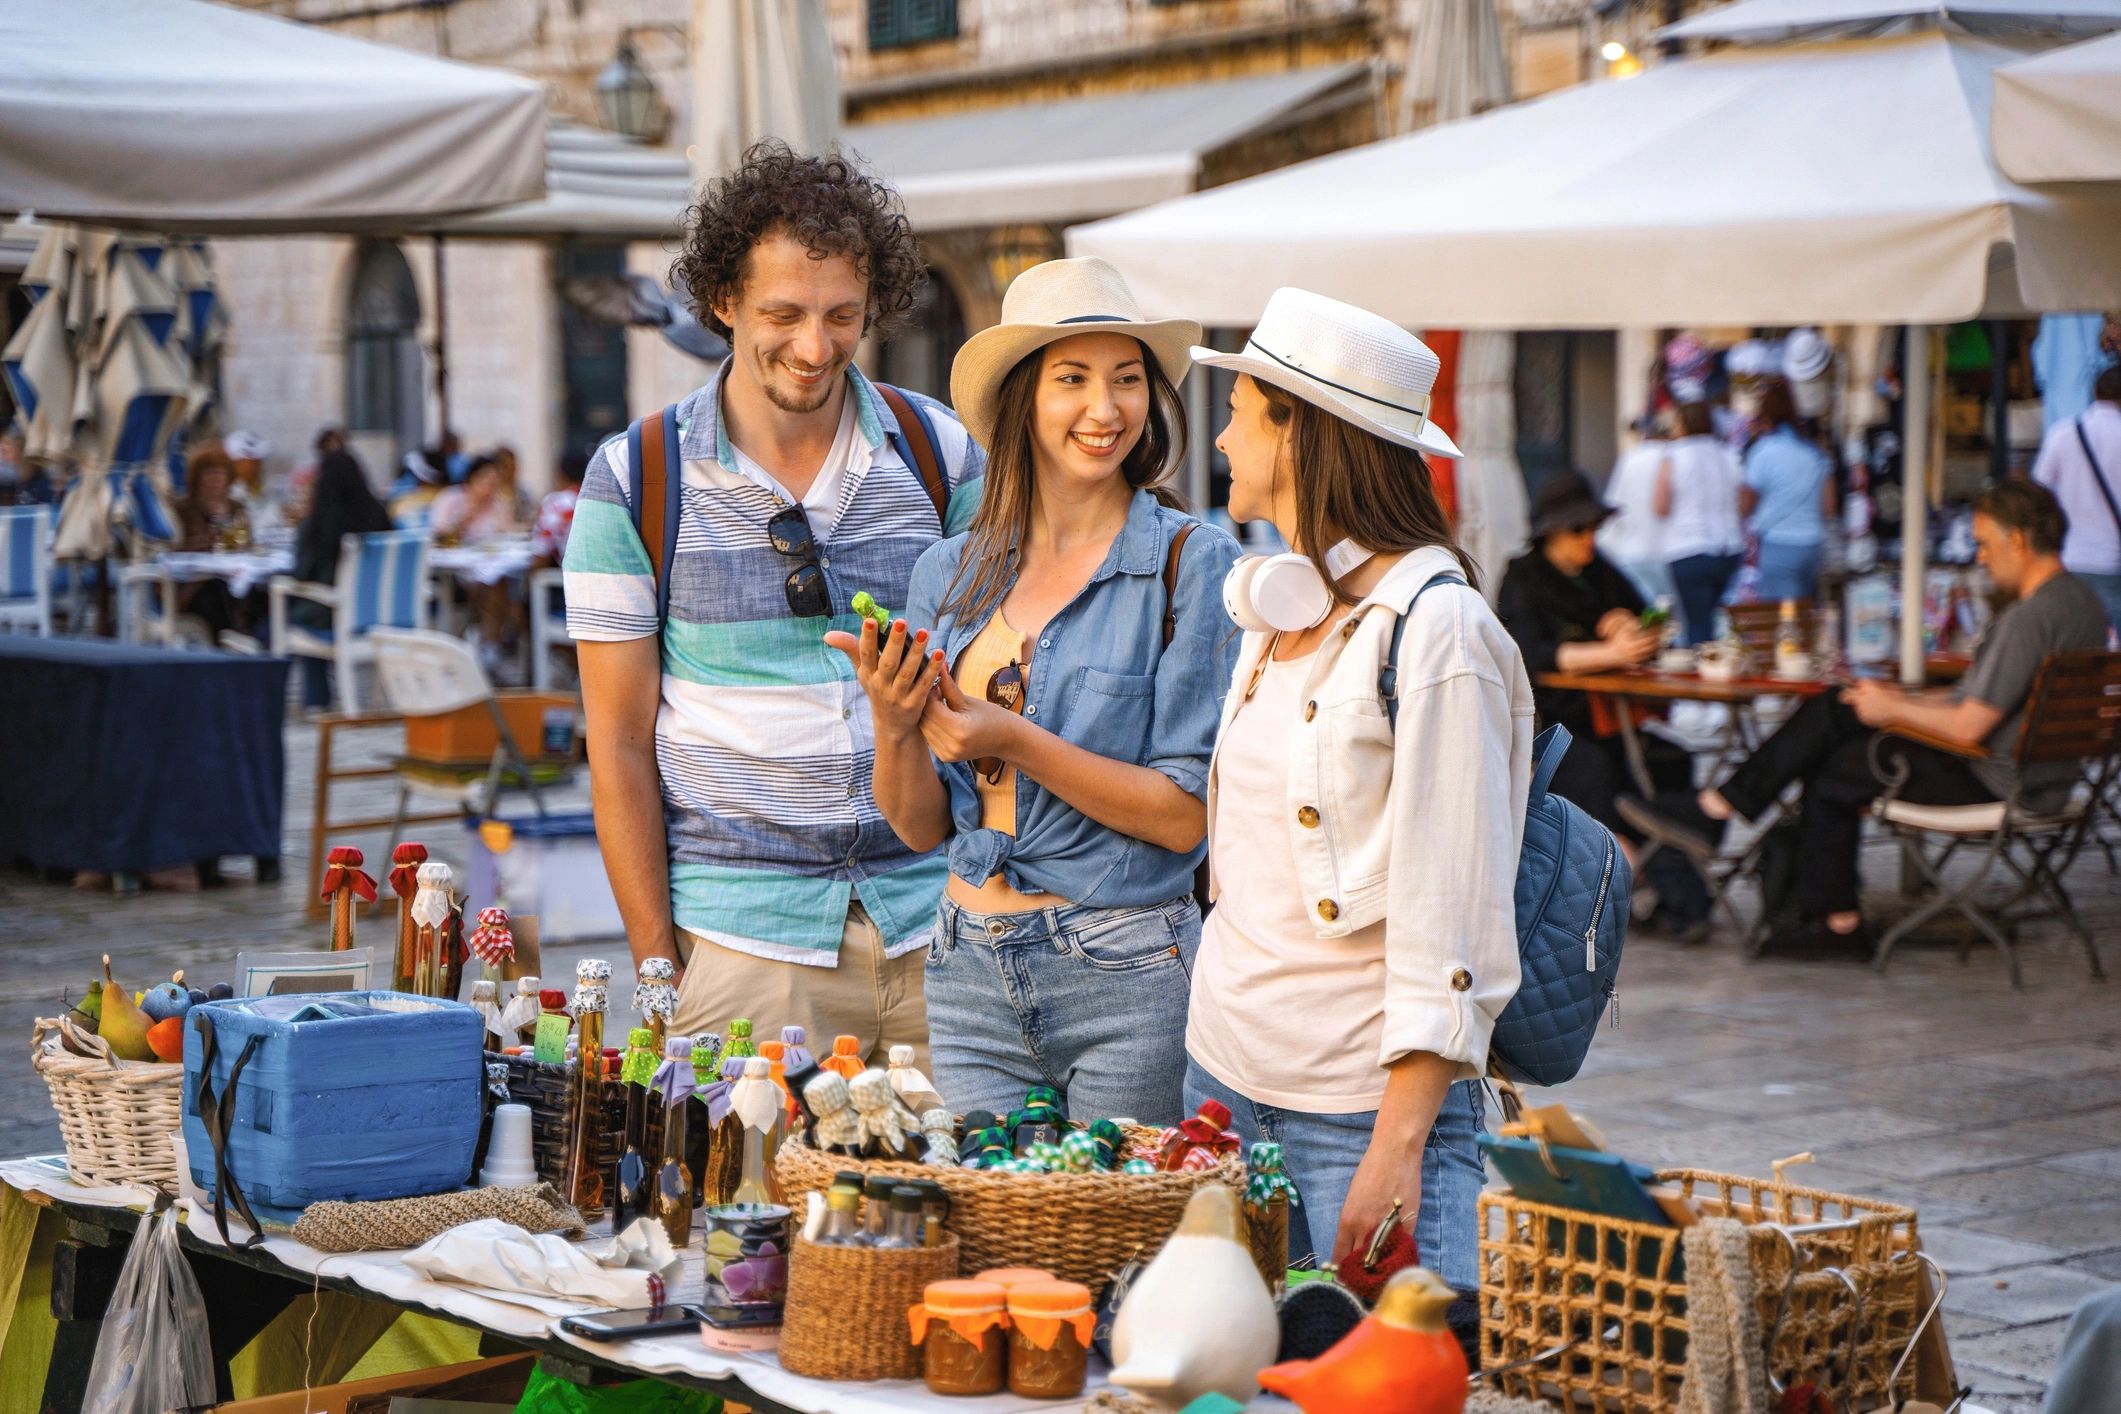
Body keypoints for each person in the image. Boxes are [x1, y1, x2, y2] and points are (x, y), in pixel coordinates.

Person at [564, 141, 984, 1068]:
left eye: (842, 315)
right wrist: (656, 966)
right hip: (742, 945)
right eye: (782, 314)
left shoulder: (942, 456)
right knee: (746, 1213)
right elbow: (619, 745)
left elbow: (1002, 676)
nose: (814, 346)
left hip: (940, 931)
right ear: (720, 302)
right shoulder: (634, 481)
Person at [1181, 288, 1534, 1288]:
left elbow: (1453, 913)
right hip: (1222, 1082)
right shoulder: (1279, 606)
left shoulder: (1439, 634)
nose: (1221, 433)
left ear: (1297, 428)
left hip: (1354, 1115)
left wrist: (1398, 1146)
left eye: (1242, 407)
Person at [836, 257, 1240, 1122]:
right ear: (1023, 398)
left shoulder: (1191, 564)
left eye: (1127, 380)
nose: (1106, 410)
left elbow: (1183, 815)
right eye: (1073, 380)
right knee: (993, 1246)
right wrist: (894, 715)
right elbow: (919, 826)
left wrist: (1011, 739)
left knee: (1120, 1247)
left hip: (1128, 971)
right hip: (965, 967)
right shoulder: (948, 571)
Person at [1626, 480, 2111, 945]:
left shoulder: (2027, 620)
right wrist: (1893, 701)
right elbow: (1976, 701)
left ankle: (1807, 895)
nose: (1980, 558)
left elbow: (1970, 724)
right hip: (2046, 779)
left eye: (1985, 545)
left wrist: (1891, 707)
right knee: (1842, 709)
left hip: (1995, 779)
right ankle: (1817, 906)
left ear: (2018, 541)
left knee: (1838, 754)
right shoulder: (2083, 604)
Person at [287, 449, 394, 707]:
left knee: (293, 615)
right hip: (380, 615)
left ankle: (317, 699)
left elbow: (302, 574)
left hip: (335, 616)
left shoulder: (317, 526)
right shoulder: (381, 519)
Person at [2031, 361, 2121, 635]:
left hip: (2069, 557)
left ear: (2095, 392)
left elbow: (2037, 493)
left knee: (2077, 641)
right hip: (2114, 561)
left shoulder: (2063, 433)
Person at [1659, 401, 1746, 644]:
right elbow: (1743, 502)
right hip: (1728, 547)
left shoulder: (1674, 455)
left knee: (1696, 626)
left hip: (1688, 547)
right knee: (1717, 621)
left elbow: (1661, 505)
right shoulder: (1728, 453)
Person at [1740, 378, 1834, 603]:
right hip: (1813, 544)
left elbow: (1745, 505)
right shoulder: (1814, 453)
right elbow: (1829, 507)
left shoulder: (1763, 452)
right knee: (1804, 613)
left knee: (1781, 620)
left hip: (1778, 543)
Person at [1597, 416, 1672, 606]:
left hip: (1632, 552)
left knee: (1644, 619)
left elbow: (1614, 503)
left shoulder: (1632, 457)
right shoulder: (1675, 456)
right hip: (1671, 553)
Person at [428, 455, 522, 542]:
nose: (491, 488)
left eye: (495, 483)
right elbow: (438, 533)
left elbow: (508, 531)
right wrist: (464, 521)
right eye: (488, 481)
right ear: (473, 478)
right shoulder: (450, 497)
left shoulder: (497, 502)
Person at [530, 457, 583, 569]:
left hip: (567, 577)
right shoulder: (599, 501)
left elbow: (541, 553)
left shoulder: (556, 503)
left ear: (561, 475)